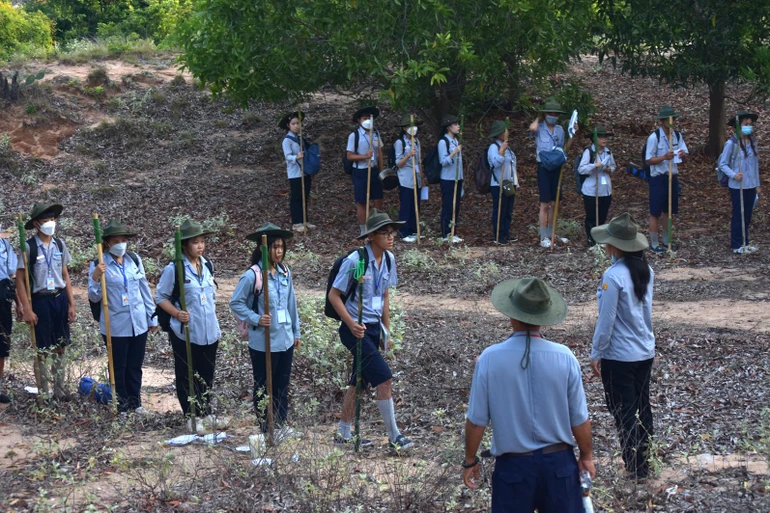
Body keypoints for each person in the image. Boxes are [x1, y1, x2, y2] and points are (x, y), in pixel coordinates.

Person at [463, 277, 594, 512]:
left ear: (511, 315)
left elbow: (476, 421)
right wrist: (586, 456)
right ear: (544, 317)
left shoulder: (489, 360)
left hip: (513, 467)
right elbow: (579, 418)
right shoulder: (565, 357)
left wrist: (470, 459)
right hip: (559, 466)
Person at [328, 209, 413, 451]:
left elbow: (385, 295)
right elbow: (335, 295)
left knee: (360, 382)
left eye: (392, 232)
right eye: (385, 233)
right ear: (372, 236)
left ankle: (343, 433)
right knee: (384, 379)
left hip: (373, 328)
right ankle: (394, 436)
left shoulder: (388, 260)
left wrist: (386, 331)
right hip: (355, 330)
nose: (391, 237)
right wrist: (351, 323)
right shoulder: (357, 261)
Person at [589, 213, 655, 479]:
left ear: (616, 246)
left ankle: (634, 465)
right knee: (642, 406)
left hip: (620, 356)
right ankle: (646, 460)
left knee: (624, 410)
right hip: (644, 351)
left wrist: (596, 352)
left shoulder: (613, 276)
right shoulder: (646, 270)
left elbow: (606, 321)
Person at [230, 223, 300, 439]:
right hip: (263, 341)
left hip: (285, 339)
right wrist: (257, 318)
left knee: (282, 383)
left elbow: (291, 304)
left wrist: (296, 332)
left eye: (281, 247)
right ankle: (266, 426)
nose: (279, 251)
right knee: (264, 385)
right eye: (274, 247)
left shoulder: (285, 272)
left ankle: (280, 423)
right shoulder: (253, 276)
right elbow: (236, 303)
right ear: (264, 249)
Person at [156, 219, 225, 433]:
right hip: (186, 331)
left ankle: (205, 412)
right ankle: (190, 415)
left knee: (206, 373)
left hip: (209, 330)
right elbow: (161, 297)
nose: (200, 246)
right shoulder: (175, 268)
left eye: (202, 241)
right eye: (195, 242)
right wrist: (177, 313)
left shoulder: (207, 265)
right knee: (187, 374)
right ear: (185, 245)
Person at [88, 220, 157, 415]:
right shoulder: (98, 264)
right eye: (116, 240)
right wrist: (95, 276)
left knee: (135, 366)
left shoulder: (134, 260)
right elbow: (94, 296)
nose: (121, 244)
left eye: (124, 240)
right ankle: (122, 406)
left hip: (138, 323)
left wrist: (152, 317)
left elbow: (144, 288)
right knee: (119, 367)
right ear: (108, 243)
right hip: (115, 325)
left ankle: (136, 404)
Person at [16, 203, 76, 401]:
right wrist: (27, 308)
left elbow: (65, 275)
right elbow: (20, 280)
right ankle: (44, 393)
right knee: (42, 349)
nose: (50, 224)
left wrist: (71, 304)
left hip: (58, 299)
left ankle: (59, 390)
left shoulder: (59, 245)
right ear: (36, 224)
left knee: (60, 346)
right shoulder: (29, 247)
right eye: (45, 221)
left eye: (52, 220)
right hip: (40, 301)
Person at [645, 105, 688, 254]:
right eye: (668, 119)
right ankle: (654, 243)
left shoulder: (677, 135)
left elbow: (684, 152)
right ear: (662, 121)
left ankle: (666, 240)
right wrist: (664, 157)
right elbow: (649, 160)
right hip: (658, 178)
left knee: (669, 211)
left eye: (673, 119)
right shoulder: (654, 137)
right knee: (655, 212)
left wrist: (682, 155)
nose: (672, 122)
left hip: (672, 176)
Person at [718, 111, 760, 254]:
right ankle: (736, 244)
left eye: (750, 124)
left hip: (750, 184)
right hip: (737, 185)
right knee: (739, 214)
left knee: (747, 214)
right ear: (738, 126)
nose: (748, 127)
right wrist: (734, 175)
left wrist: (757, 184)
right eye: (745, 124)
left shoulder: (753, 142)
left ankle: (745, 242)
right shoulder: (731, 143)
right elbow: (722, 164)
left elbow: (755, 165)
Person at [529, 98, 567, 248]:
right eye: (550, 113)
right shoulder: (539, 128)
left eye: (556, 113)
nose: (553, 115)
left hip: (556, 166)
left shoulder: (560, 130)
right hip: (543, 167)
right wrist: (539, 117)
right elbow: (532, 129)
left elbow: (562, 148)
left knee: (555, 202)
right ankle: (543, 235)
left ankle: (552, 233)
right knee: (544, 203)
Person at [347, 106, 384, 235]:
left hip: (373, 170)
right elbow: (350, 155)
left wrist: (381, 170)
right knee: (361, 201)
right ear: (359, 120)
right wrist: (364, 156)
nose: (368, 120)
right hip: (360, 171)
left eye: (369, 118)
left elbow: (379, 152)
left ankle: (377, 224)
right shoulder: (354, 136)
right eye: (365, 118)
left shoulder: (376, 134)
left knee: (378, 198)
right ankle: (364, 229)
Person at [577, 125, 616, 246]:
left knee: (603, 214)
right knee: (592, 216)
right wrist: (594, 165)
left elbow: (613, 166)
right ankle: (591, 240)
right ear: (594, 139)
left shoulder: (608, 151)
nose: (604, 139)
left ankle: (600, 239)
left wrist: (610, 169)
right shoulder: (589, 152)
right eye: (601, 137)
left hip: (605, 188)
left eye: (605, 137)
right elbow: (581, 169)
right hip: (591, 189)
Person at [280, 111, 316, 233]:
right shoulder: (287, 140)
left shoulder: (300, 138)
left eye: (298, 123)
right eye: (293, 123)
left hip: (305, 172)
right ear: (288, 125)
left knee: (305, 196)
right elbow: (287, 156)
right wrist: (296, 157)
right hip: (295, 173)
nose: (296, 126)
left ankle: (305, 220)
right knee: (296, 197)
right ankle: (297, 222)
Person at [488, 120, 518, 245]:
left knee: (508, 210)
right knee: (499, 210)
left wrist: (516, 181)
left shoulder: (508, 148)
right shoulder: (493, 147)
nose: (507, 133)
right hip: (498, 184)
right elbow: (495, 163)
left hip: (509, 183)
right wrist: (501, 151)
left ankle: (506, 233)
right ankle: (498, 235)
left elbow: (512, 165)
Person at [393, 114, 423, 243]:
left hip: (416, 177)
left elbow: (419, 161)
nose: (413, 128)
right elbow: (398, 163)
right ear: (404, 128)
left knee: (415, 204)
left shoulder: (416, 141)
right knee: (406, 204)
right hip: (405, 177)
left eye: (414, 126)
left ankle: (414, 229)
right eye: (410, 126)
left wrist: (422, 176)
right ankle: (404, 232)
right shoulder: (400, 142)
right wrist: (408, 155)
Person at [0, 224, 20, 403]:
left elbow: (12, 277)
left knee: (2, 343)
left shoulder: (4, 245)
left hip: (3, 296)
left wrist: (19, 304)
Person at [438, 114, 464, 243]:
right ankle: (445, 233)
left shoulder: (456, 141)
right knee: (448, 205)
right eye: (455, 124)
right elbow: (443, 162)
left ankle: (454, 232)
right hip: (447, 178)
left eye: (458, 124)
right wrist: (453, 153)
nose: (458, 126)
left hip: (457, 178)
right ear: (449, 127)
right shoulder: (443, 142)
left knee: (456, 206)